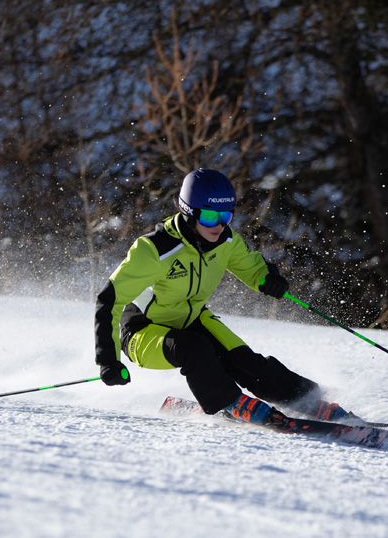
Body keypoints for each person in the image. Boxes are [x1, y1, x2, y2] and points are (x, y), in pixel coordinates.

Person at [94, 167, 339, 424]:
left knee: (246, 361)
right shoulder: (154, 249)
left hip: (192, 320)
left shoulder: (225, 241)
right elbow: (109, 299)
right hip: (143, 331)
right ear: (189, 212)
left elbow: (252, 266)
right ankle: (230, 402)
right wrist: (108, 360)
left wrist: (268, 278)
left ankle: (307, 401)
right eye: (210, 217)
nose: (220, 225)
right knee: (196, 348)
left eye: (226, 215)